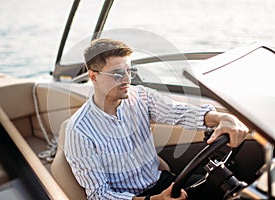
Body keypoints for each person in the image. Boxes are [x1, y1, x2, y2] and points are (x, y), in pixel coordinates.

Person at [64, 38, 249, 200]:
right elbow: (99, 195)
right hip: (133, 198)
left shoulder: (141, 97)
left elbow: (177, 112)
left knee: (235, 189)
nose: (127, 79)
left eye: (130, 71)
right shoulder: (79, 131)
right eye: (118, 74)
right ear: (93, 76)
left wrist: (221, 117)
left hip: (163, 182)